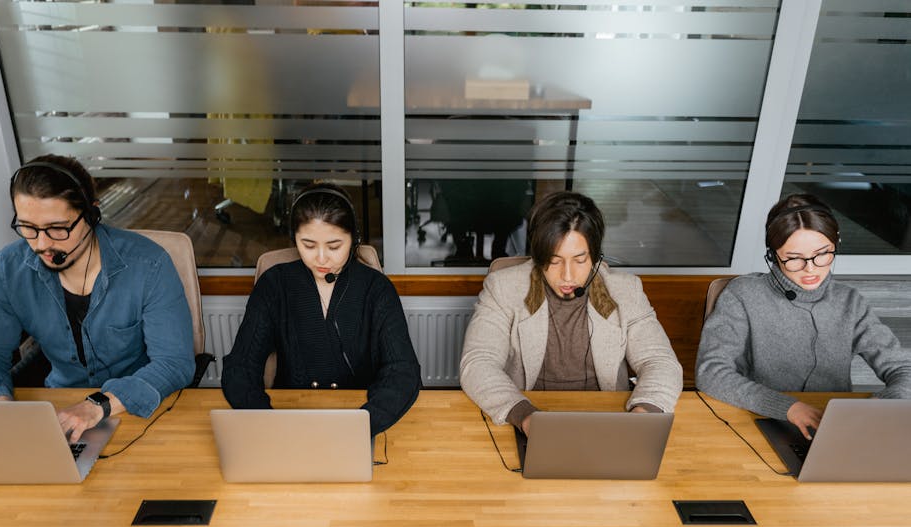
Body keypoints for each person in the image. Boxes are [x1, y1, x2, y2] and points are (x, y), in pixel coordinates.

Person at [0, 155, 195, 440]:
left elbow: (174, 363)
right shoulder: (8, 269)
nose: (41, 244)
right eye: (28, 227)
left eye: (57, 228)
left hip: (133, 409)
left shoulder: (149, 264)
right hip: (59, 410)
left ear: (92, 214)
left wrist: (97, 405)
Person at [459, 191, 682, 432]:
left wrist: (643, 412)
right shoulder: (503, 288)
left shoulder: (626, 291)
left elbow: (660, 361)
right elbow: (478, 363)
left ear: (594, 256)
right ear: (539, 256)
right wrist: (525, 417)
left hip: (609, 421)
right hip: (529, 418)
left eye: (579, 260)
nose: (567, 276)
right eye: (555, 261)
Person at [696, 193, 911, 439]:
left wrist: (881, 404)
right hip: (755, 421)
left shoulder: (850, 301)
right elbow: (711, 372)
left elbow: (903, 368)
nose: (810, 268)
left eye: (822, 254)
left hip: (831, 428)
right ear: (772, 255)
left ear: (836, 244)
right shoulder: (742, 294)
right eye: (794, 259)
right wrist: (787, 408)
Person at [221, 183, 421, 435]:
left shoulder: (377, 289)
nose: (322, 258)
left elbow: (403, 371)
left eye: (334, 246)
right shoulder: (274, 285)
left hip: (362, 422)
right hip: (289, 421)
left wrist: (360, 426)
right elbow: (240, 367)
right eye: (308, 245)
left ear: (354, 239)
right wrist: (267, 424)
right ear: (294, 238)